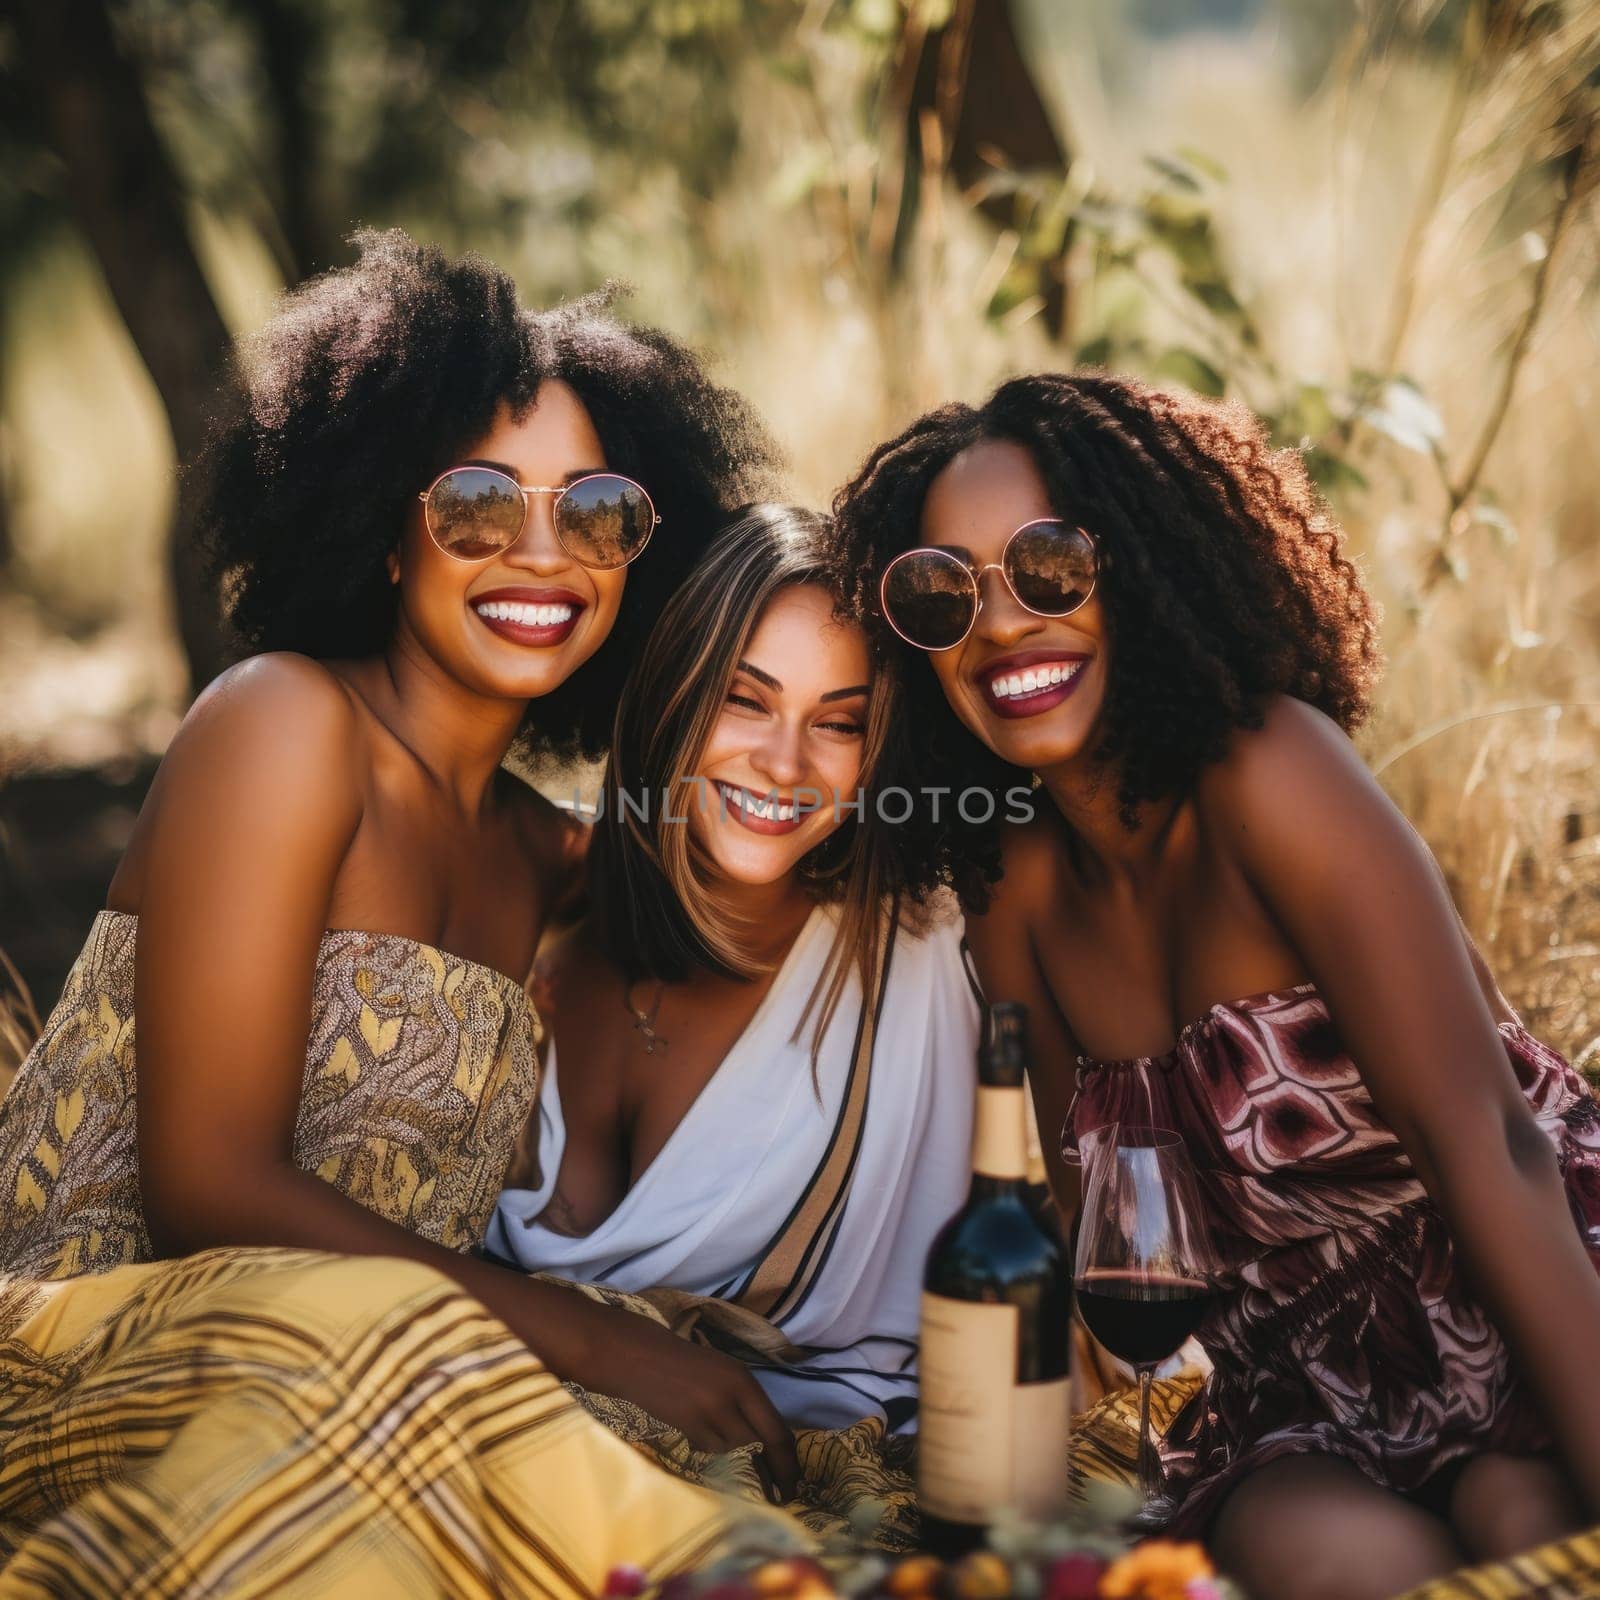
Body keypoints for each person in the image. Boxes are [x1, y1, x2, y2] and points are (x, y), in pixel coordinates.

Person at [0, 230, 807, 1597]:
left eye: (597, 511)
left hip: (378, 1375)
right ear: (382, 527)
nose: (541, 553)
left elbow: (800, 855)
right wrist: (586, 1339)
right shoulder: (283, 726)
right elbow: (207, 1187)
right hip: (113, 1350)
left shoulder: (543, 854)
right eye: (477, 505)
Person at [829, 371, 1600, 1599]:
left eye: (1047, 565)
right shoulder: (1015, 893)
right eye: (943, 594)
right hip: (1293, 1391)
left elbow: (1491, 1145)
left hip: (1521, 1279)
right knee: (1319, 1558)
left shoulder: (1267, 772)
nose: (1000, 624)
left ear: (1131, 565)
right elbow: (1091, 1243)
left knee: (1528, 1514)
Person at [486, 505, 977, 1500]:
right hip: (493, 1464)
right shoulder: (516, 919)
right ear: (669, 694)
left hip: (817, 1502)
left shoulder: (928, 950)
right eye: (745, 700)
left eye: (838, 722)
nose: (786, 763)